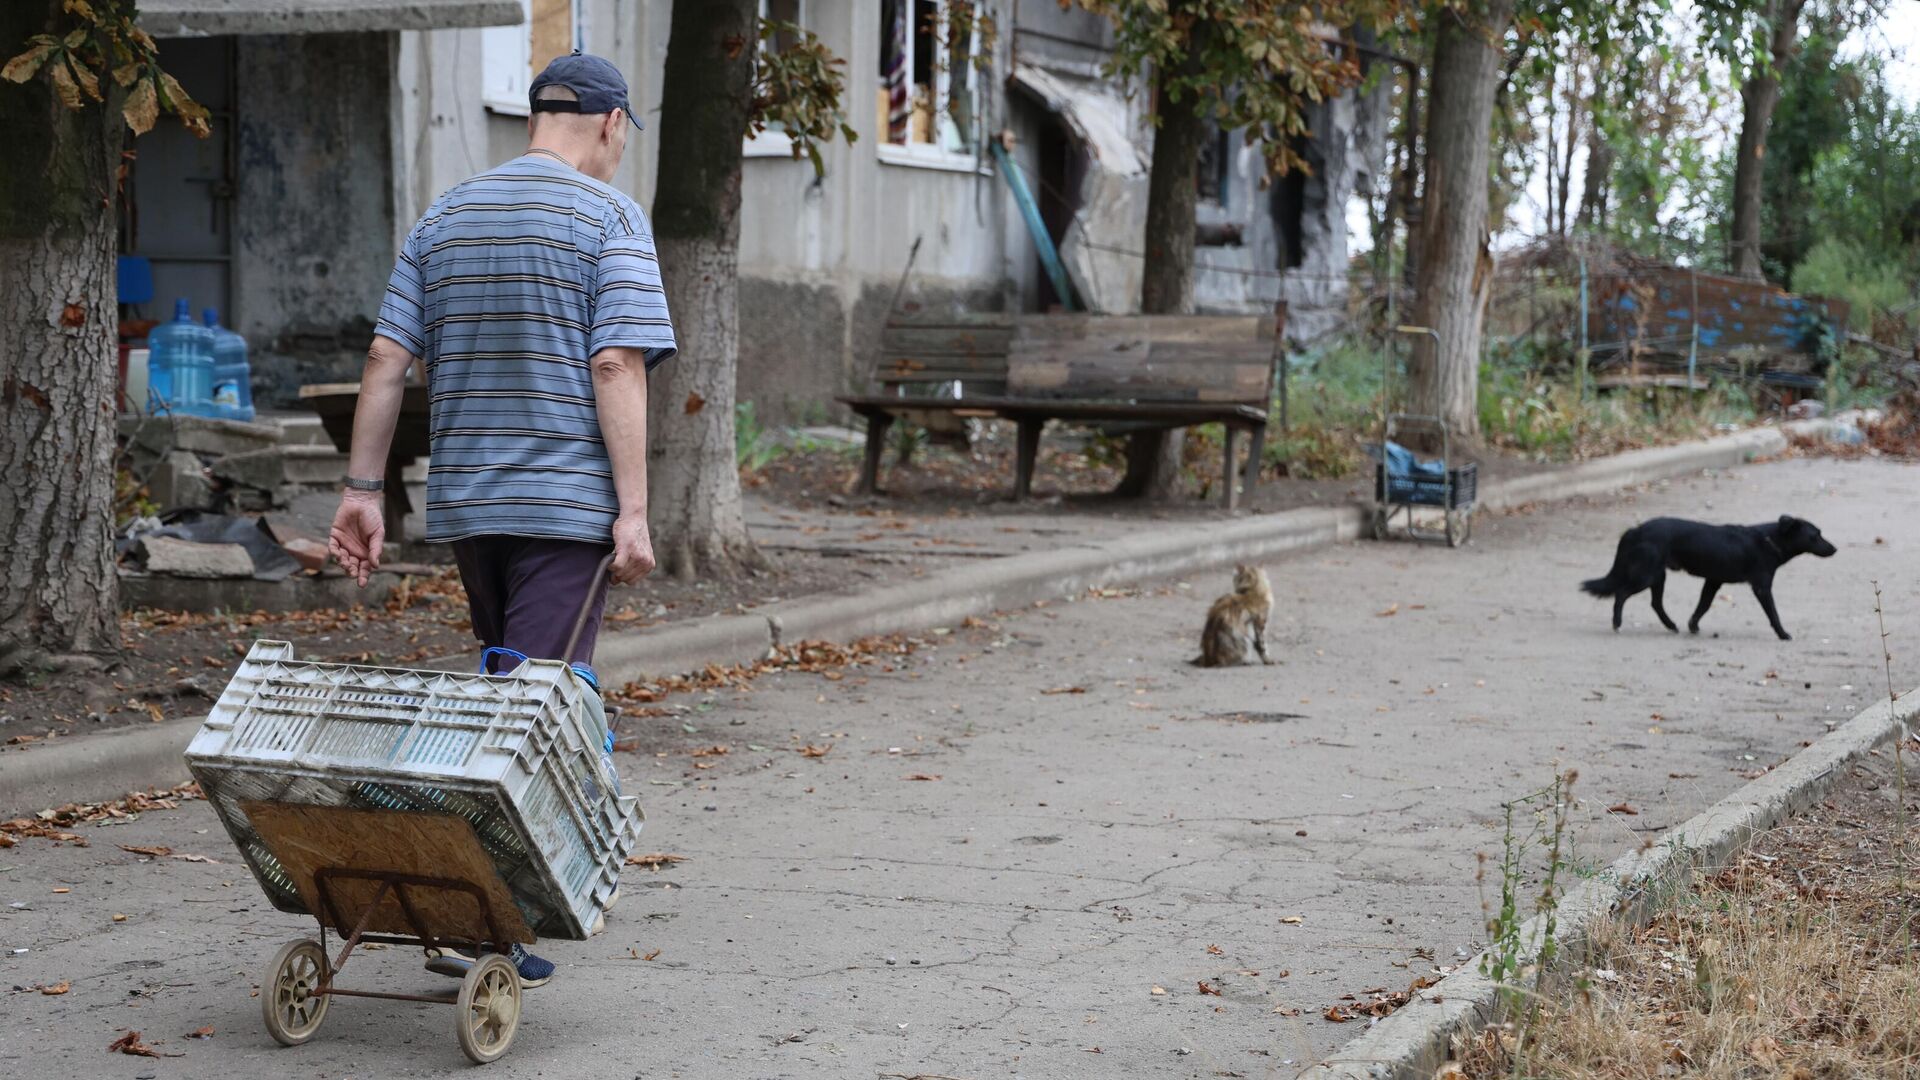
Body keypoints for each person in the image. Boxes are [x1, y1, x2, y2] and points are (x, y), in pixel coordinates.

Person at [326, 52, 675, 987]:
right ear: (609, 125)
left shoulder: (445, 217)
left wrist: (363, 492)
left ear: (535, 120)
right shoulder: (610, 219)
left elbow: (386, 361)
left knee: (507, 700)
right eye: (620, 138)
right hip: (564, 511)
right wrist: (632, 512)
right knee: (530, 718)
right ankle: (484, 919)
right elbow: (616, 368)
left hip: (472, 508)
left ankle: (481, 908)